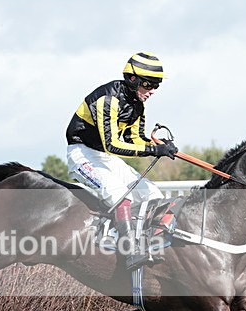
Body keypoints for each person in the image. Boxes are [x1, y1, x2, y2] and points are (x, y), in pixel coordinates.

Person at [66, 51, 178, 270]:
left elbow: (134, 139)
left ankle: (153, 244)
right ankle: (130, 250)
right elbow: (113, 144)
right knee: (118, 193)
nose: (152, 91)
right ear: (133, 79)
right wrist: (153, 150)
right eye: (149, 84)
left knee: (153, 194)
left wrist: (158, 144)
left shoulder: (138, 105)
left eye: (156, 86)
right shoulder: (107, 100)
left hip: (106, 158)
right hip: (82, 153)